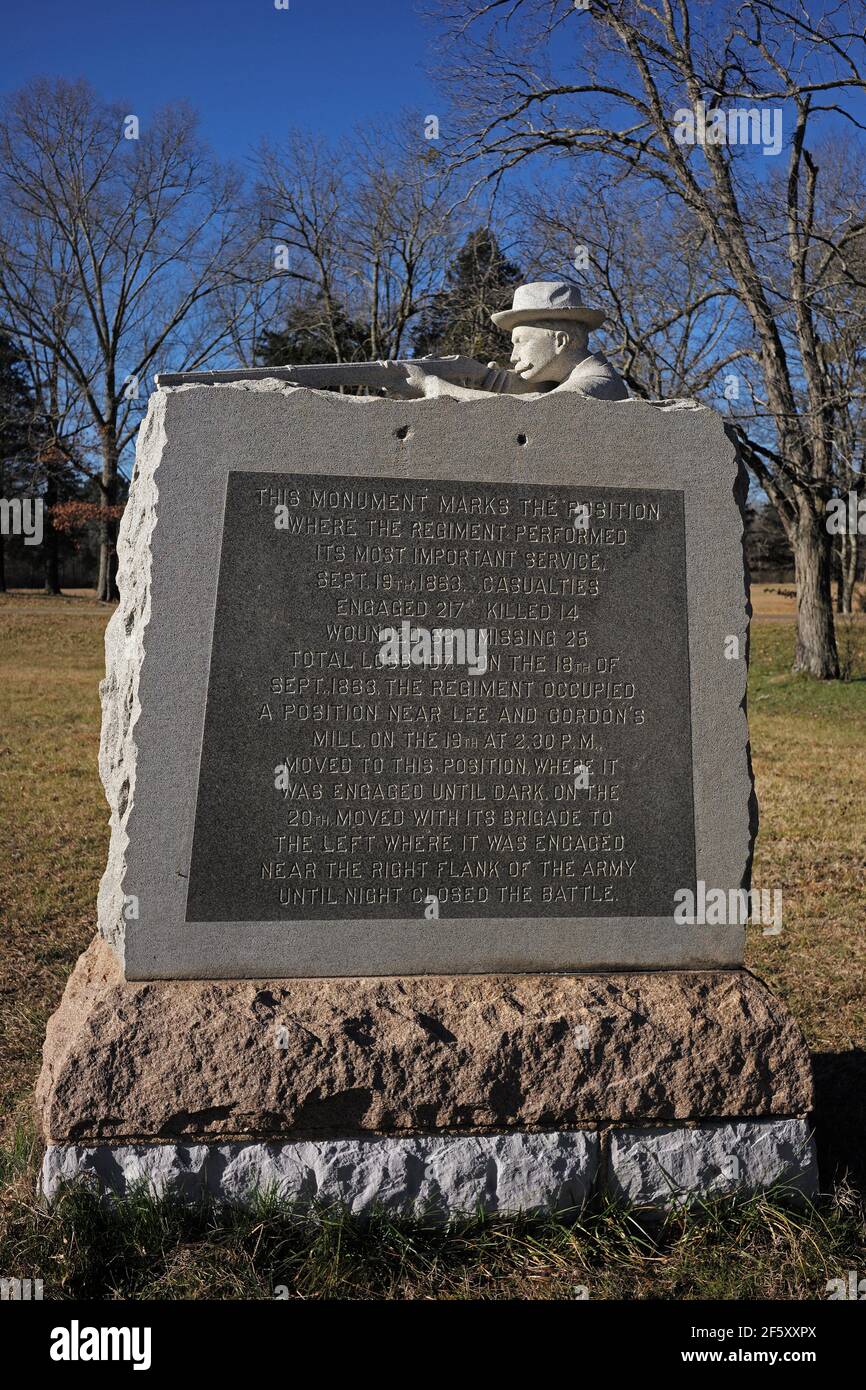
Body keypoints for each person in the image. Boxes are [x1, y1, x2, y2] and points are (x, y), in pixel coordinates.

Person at [405, 280, 628, 401]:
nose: (513, 356)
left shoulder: (595, 384)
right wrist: (493, 383)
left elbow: (526, 416)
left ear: (560, 341)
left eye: (521, 341)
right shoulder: (570, 381)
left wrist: (433, 387)